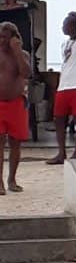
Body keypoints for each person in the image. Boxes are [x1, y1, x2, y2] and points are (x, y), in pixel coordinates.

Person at [47, 11, 76, 164]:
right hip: (63, 87)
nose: (62, 28)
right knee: (58, 120)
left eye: (65, 25)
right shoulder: (65, 43)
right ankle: (61, 154)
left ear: (73, 26)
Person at [0, 22, 32, 194]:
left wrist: (17, 51)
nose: (2, 40)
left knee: (15, 143)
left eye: (5, 37)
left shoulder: (22, 55)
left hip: (16, 104)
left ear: (13, 38)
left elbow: (27, 73)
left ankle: (12, 179)